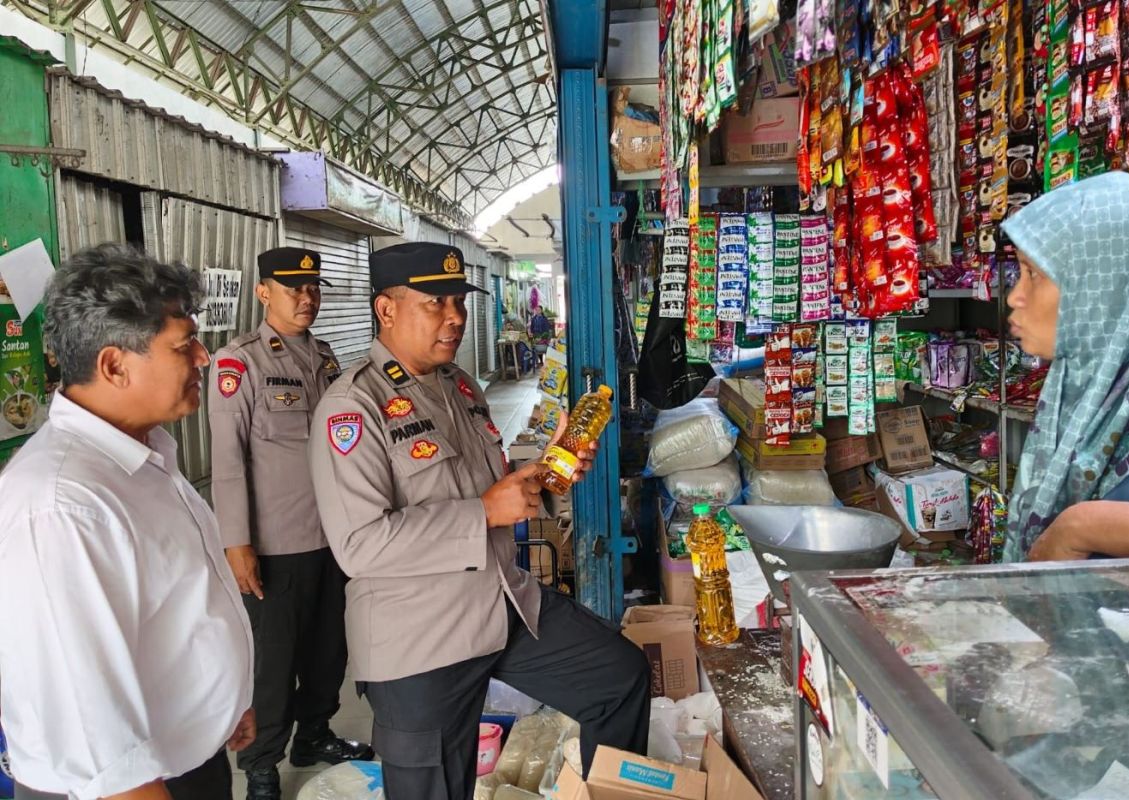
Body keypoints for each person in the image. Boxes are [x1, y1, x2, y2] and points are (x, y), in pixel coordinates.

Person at [309, 243, 650, 800]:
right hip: (420, 637)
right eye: (435, 304)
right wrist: (485, 513)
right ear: (386, 309)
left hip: (501, 602)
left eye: (459, 304)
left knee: (618, 677)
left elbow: (487, 486)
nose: (455, 318)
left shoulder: (459, 386)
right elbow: (360, 546)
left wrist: (548, 464)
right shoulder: (353, 407)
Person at [0, 243, 256, 800]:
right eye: (184, 345)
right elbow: (91, 731)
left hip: (182, 758)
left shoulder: (144, 456)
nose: (204, 359)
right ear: (114, 365)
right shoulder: (61, 504)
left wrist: (221, 701)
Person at [208, 247, 373, 800]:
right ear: (263, 293)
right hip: (275, 543)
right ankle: (261, 764)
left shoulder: (325, 358)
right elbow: (227, 465)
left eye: (313, 288)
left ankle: (316, 734)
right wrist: (236, 542)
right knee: (273, 661)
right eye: (292, 288)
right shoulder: (240, 363)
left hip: (335, 534)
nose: (307, 298)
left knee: (330, 650)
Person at [1001, 171, 1129, 563]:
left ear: (1104, 285)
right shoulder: (1091, 380)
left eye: (1034, 275)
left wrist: (1082, 527)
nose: (1014, 297)